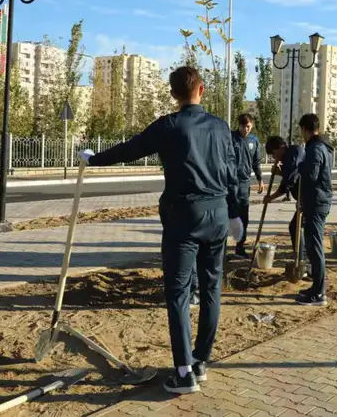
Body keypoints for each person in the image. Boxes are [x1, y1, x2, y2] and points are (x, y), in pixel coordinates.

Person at [78, 66, 239, 395]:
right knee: (211, 288)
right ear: (202, 90)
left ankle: (184, 373)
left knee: (179, 293)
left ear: (173, 93)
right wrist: (234, 211)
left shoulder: (169, 125)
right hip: (218, 213)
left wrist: (93, 160)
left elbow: (130, 150)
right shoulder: (220, 127)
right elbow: (232, 169)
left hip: (184, 216)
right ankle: (201, 361)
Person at [293, 114, 333, 306]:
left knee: (315, 248)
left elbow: (311, 176)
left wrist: (301, 166)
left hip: (317, 203)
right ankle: (316, 287)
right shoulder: (322, 146)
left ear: (304, 129)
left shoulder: (316, 148)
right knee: (312, 246)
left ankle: (319, 293)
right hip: (316, 201)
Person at [263, 136, 304, 255]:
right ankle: (301, 254)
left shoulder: (293, 154)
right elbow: (291, 175)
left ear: (281, 148)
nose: (274, 157)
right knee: (296, 227)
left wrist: (271, 197)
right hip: (304, 198)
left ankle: (301, 257)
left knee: (296, 227)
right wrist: (279, 172)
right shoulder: (288, 157)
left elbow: (289, 181)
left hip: (310, 197)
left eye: (274, 153)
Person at [231, 113, 264, 257]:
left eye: (248, 126)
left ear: (252, 126)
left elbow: (256, 162)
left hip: (244, 184)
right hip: (230, 183)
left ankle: (240, 246)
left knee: (243, 216)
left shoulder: (254, 141)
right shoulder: (230, 138)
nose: (246, 129)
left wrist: (260, 179)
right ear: (239, 125)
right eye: (243, 126)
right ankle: (219, 249)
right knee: (227, 215)